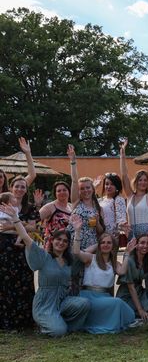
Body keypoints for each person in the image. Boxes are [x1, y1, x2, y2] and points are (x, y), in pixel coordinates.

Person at [1, 203, 90, 337]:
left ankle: (64, 324)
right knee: (58, 332)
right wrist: (15, 218)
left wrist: (77, 231)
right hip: (45, 303)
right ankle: (47, 324)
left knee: (84, 304)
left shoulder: (69, 261)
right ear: (52, 241)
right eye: (58, 240)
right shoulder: (43, 256)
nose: (61, 243)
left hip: (63, 301)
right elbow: (25, 237)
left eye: (65, 241)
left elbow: (77, 251)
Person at [71, 216, 137, 333]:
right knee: (117, 302)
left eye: (109, 243)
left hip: (104, 296)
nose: (106, 245)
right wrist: (77, 231)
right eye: (103, 243)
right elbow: (76, 252)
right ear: (99, 245)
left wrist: (127, 253)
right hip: (89, 296)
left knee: (129, 312)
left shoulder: (113, 263)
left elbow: (122, 271)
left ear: (113, 246)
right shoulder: (91, 259)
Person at [0, 138, 38, 331]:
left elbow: (32, 228)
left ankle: (24, 322)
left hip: (23, 249)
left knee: (24, 283)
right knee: (4, 285)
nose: (20, 188)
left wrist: (28, 153)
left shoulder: (29, 207)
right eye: (17, 186)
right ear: (11, 188)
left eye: (23, 186)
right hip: (4, 249)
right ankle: (5, 323)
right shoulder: (5, 202)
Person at [120, 139, 148, 287]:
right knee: (133, 268)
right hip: (132, 234)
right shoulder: (130, 196)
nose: (143, 182)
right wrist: (122, 154)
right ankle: (134, 299)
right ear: (136, 182)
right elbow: (124, 175)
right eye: (140, 180)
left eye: (145, 180)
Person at [116, 229, 148, 323]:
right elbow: (131, 288)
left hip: (140, 291)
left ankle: (140, 317)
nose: (145, 246)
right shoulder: (130, 261)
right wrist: (140, 310)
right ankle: (138, 315)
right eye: (142, 243)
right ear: (136, 245)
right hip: (127, 295)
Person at [39, 181, 72, 251]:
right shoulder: (50, 207)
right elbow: (35, 218)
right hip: (53, 247)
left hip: (68, 246)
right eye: (59, 191)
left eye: (64, 190)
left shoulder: (71, 206)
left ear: (69, 192)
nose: (62, 192)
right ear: (55, 194)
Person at [96, 172, 127, 242]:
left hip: (112, 237)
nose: (109, 186)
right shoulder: (100, 200)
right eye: (107, 184)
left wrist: (122, 225)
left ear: (117, 186)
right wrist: (95, 187)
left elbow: (121, 217)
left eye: (112, 184)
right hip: (99, 235)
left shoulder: (119, 199)